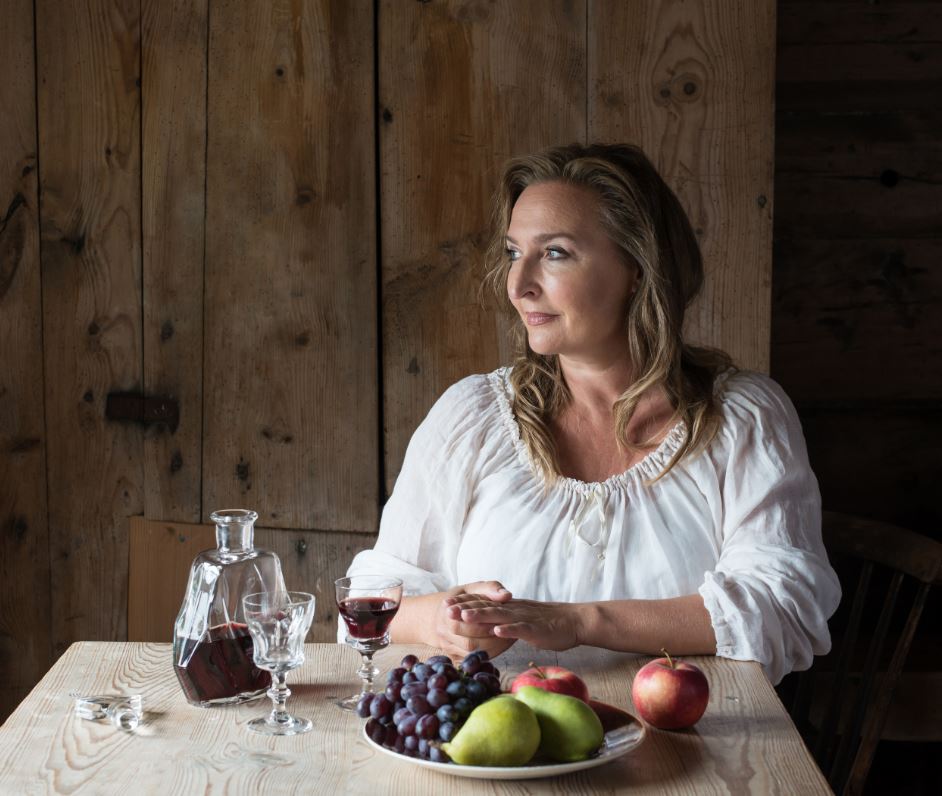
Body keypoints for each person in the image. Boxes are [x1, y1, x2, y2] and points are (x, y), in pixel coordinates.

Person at [343, 143, 840, 685]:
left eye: (555, 253)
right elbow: (370, 600)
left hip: (693, 733)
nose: (519, 284)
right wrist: (441, 621)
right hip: (501, 732)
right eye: (513, 252)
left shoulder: (741, 419)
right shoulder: (474, 416)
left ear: (637, 268)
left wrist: (578, 621)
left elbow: (783, 604)